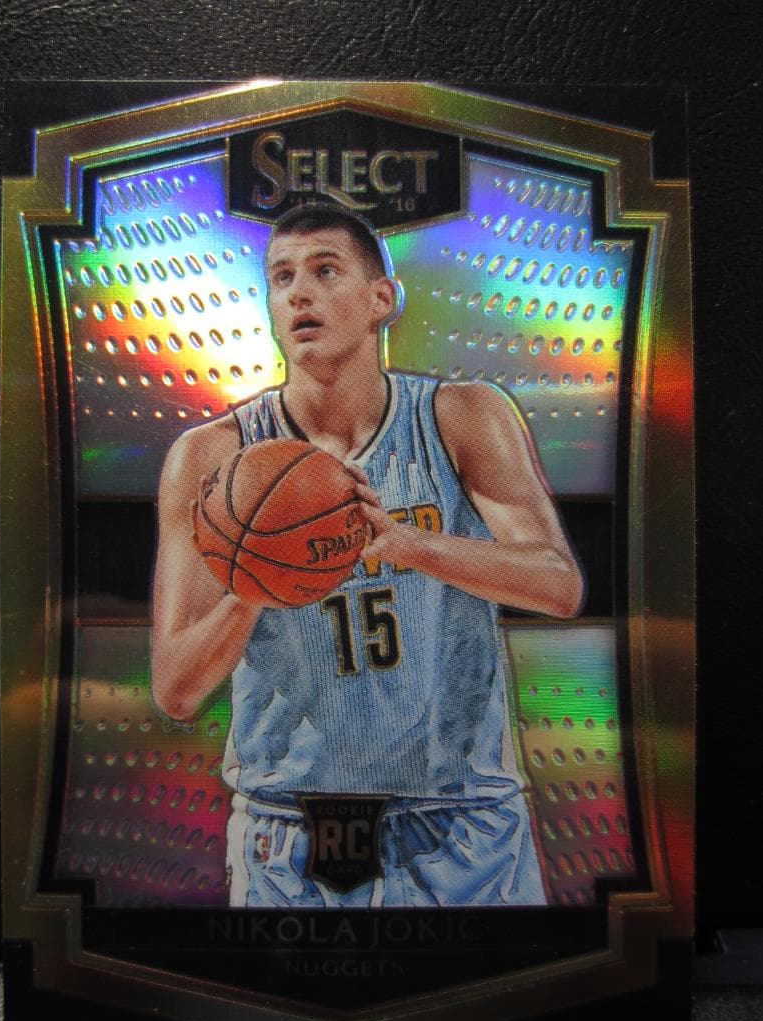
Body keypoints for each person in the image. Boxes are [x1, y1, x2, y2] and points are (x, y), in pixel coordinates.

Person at [151, 204, 584, 907]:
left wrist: (412, 545)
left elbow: (558, 586)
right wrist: (254, 588)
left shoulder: (462, 417)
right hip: (293, 826)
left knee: (501, 989)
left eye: (325, 271)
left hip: (463, 818)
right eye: (282, 277)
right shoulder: (213, 458)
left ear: (382, 297)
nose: (300, 292)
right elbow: (176, 687)